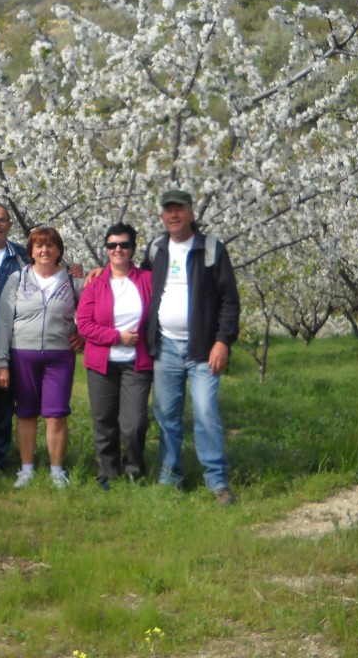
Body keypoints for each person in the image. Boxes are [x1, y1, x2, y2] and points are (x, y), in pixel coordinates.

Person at [0, 202, 82, 475]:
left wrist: (81, 330)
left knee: (2, 408)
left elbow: (80, 302)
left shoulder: (19, 257)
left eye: (2, 220)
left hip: (17, 344)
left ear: (9, 225)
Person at [142, 190, 241, 505]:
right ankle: (171, 475)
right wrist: (93, 273)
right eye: (168, 211)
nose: (173, 216)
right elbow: (135, 282)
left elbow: (229, 299)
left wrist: (223, 341)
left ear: (190, 214)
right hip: (165, 345)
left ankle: (217, 481)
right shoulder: (156, 249)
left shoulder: (211, 249)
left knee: (205, 412)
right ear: (162, 216)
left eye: (179, 210)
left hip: (202, 348)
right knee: (166, 415)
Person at [0, 226, 84, 489]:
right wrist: (1, 363)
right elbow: (4, 321)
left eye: (50, 245)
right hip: (23, 354)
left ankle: (57, 471)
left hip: (59, 356)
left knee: (57, 415)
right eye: (38, 246)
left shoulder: (72, 279)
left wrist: (83, 334)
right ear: (31, 251)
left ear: (59, 251)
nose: (44, 250)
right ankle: (27, 469)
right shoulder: (18, 279)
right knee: (26, 414)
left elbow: (91, 310)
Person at [76, 222, 153, 490]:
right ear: (106, 249)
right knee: (104, 421)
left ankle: (134, 468)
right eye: (112, 245)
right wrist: (116, 337)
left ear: (133, 248)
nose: (118, 249)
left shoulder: (147, 280)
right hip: (102, 363)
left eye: (124, 245)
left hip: (137, 362)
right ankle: (108, 472)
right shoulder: (96, 283)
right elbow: (83, 325)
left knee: (134, 423)